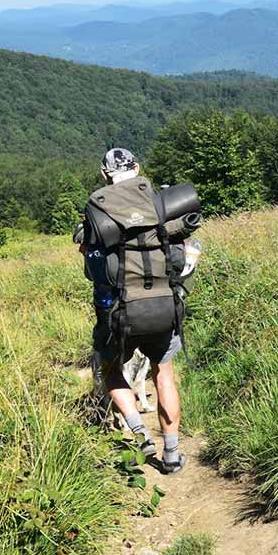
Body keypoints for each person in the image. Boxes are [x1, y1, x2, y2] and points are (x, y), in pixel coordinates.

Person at [77, 148, 190, 474]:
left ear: (104, 174)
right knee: (163, 373)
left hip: (119, 313)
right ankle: (171, 455)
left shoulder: (97, 210)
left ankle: (139, 434)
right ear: (137, 168)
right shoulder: (158, 204)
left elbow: (91, 268)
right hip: (162, 308)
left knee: (111, 369)